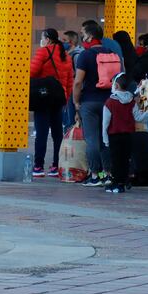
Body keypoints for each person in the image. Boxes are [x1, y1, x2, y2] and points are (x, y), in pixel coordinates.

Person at [72, 20, 120, 186]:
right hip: (109, 101)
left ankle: (94, 175)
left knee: (92, 139)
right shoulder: (111, 53)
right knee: (105, 139)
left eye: (83, 34)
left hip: (90, 101)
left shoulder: (85, 55)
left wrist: (75, 102)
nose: (82, 38)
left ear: (90, 36)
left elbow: (78, 82)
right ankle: (108, 173)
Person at [30, 28, 74, 177]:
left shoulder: (43, 52)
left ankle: (38, 166)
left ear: (47, 39)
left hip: (43, 97)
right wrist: (66, 99)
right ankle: (56, 165)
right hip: (59, 98)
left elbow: (32, 72)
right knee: (57, 134)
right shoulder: (66, 55)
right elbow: (70, 80)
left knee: (41, 133)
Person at [103, 73, 138, 194]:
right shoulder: (132, 101)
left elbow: (105, 123)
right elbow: (138, 116)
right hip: (128, 135)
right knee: (125, 159)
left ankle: (116, 183)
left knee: (115, 160)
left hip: (114, 135)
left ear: (116, 85)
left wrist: (105, 138)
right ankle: (123, 181)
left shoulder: (110, 102)